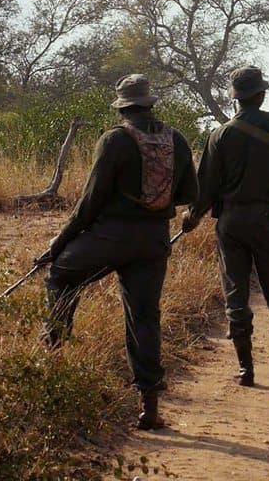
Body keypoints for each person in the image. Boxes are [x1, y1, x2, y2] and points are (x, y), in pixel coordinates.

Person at [35, 74, 197, 430]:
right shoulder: (178, 140)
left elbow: (89, 203)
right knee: (144, 317)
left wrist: (58, 244)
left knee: (61, 275)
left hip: (111, 237)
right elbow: (188, 193)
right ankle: (150, 405)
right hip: (154, 240)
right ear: (150, 103)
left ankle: (53, 356)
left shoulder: (115, 140)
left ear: (123, 106)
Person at [182, 66, 269, 388]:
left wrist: (193, 215)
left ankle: (246, 371)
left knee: (236, 296)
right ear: (261, 94)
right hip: (267, 220)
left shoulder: (219, 134)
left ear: (235, 99)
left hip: (230, 223)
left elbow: (207, 187)